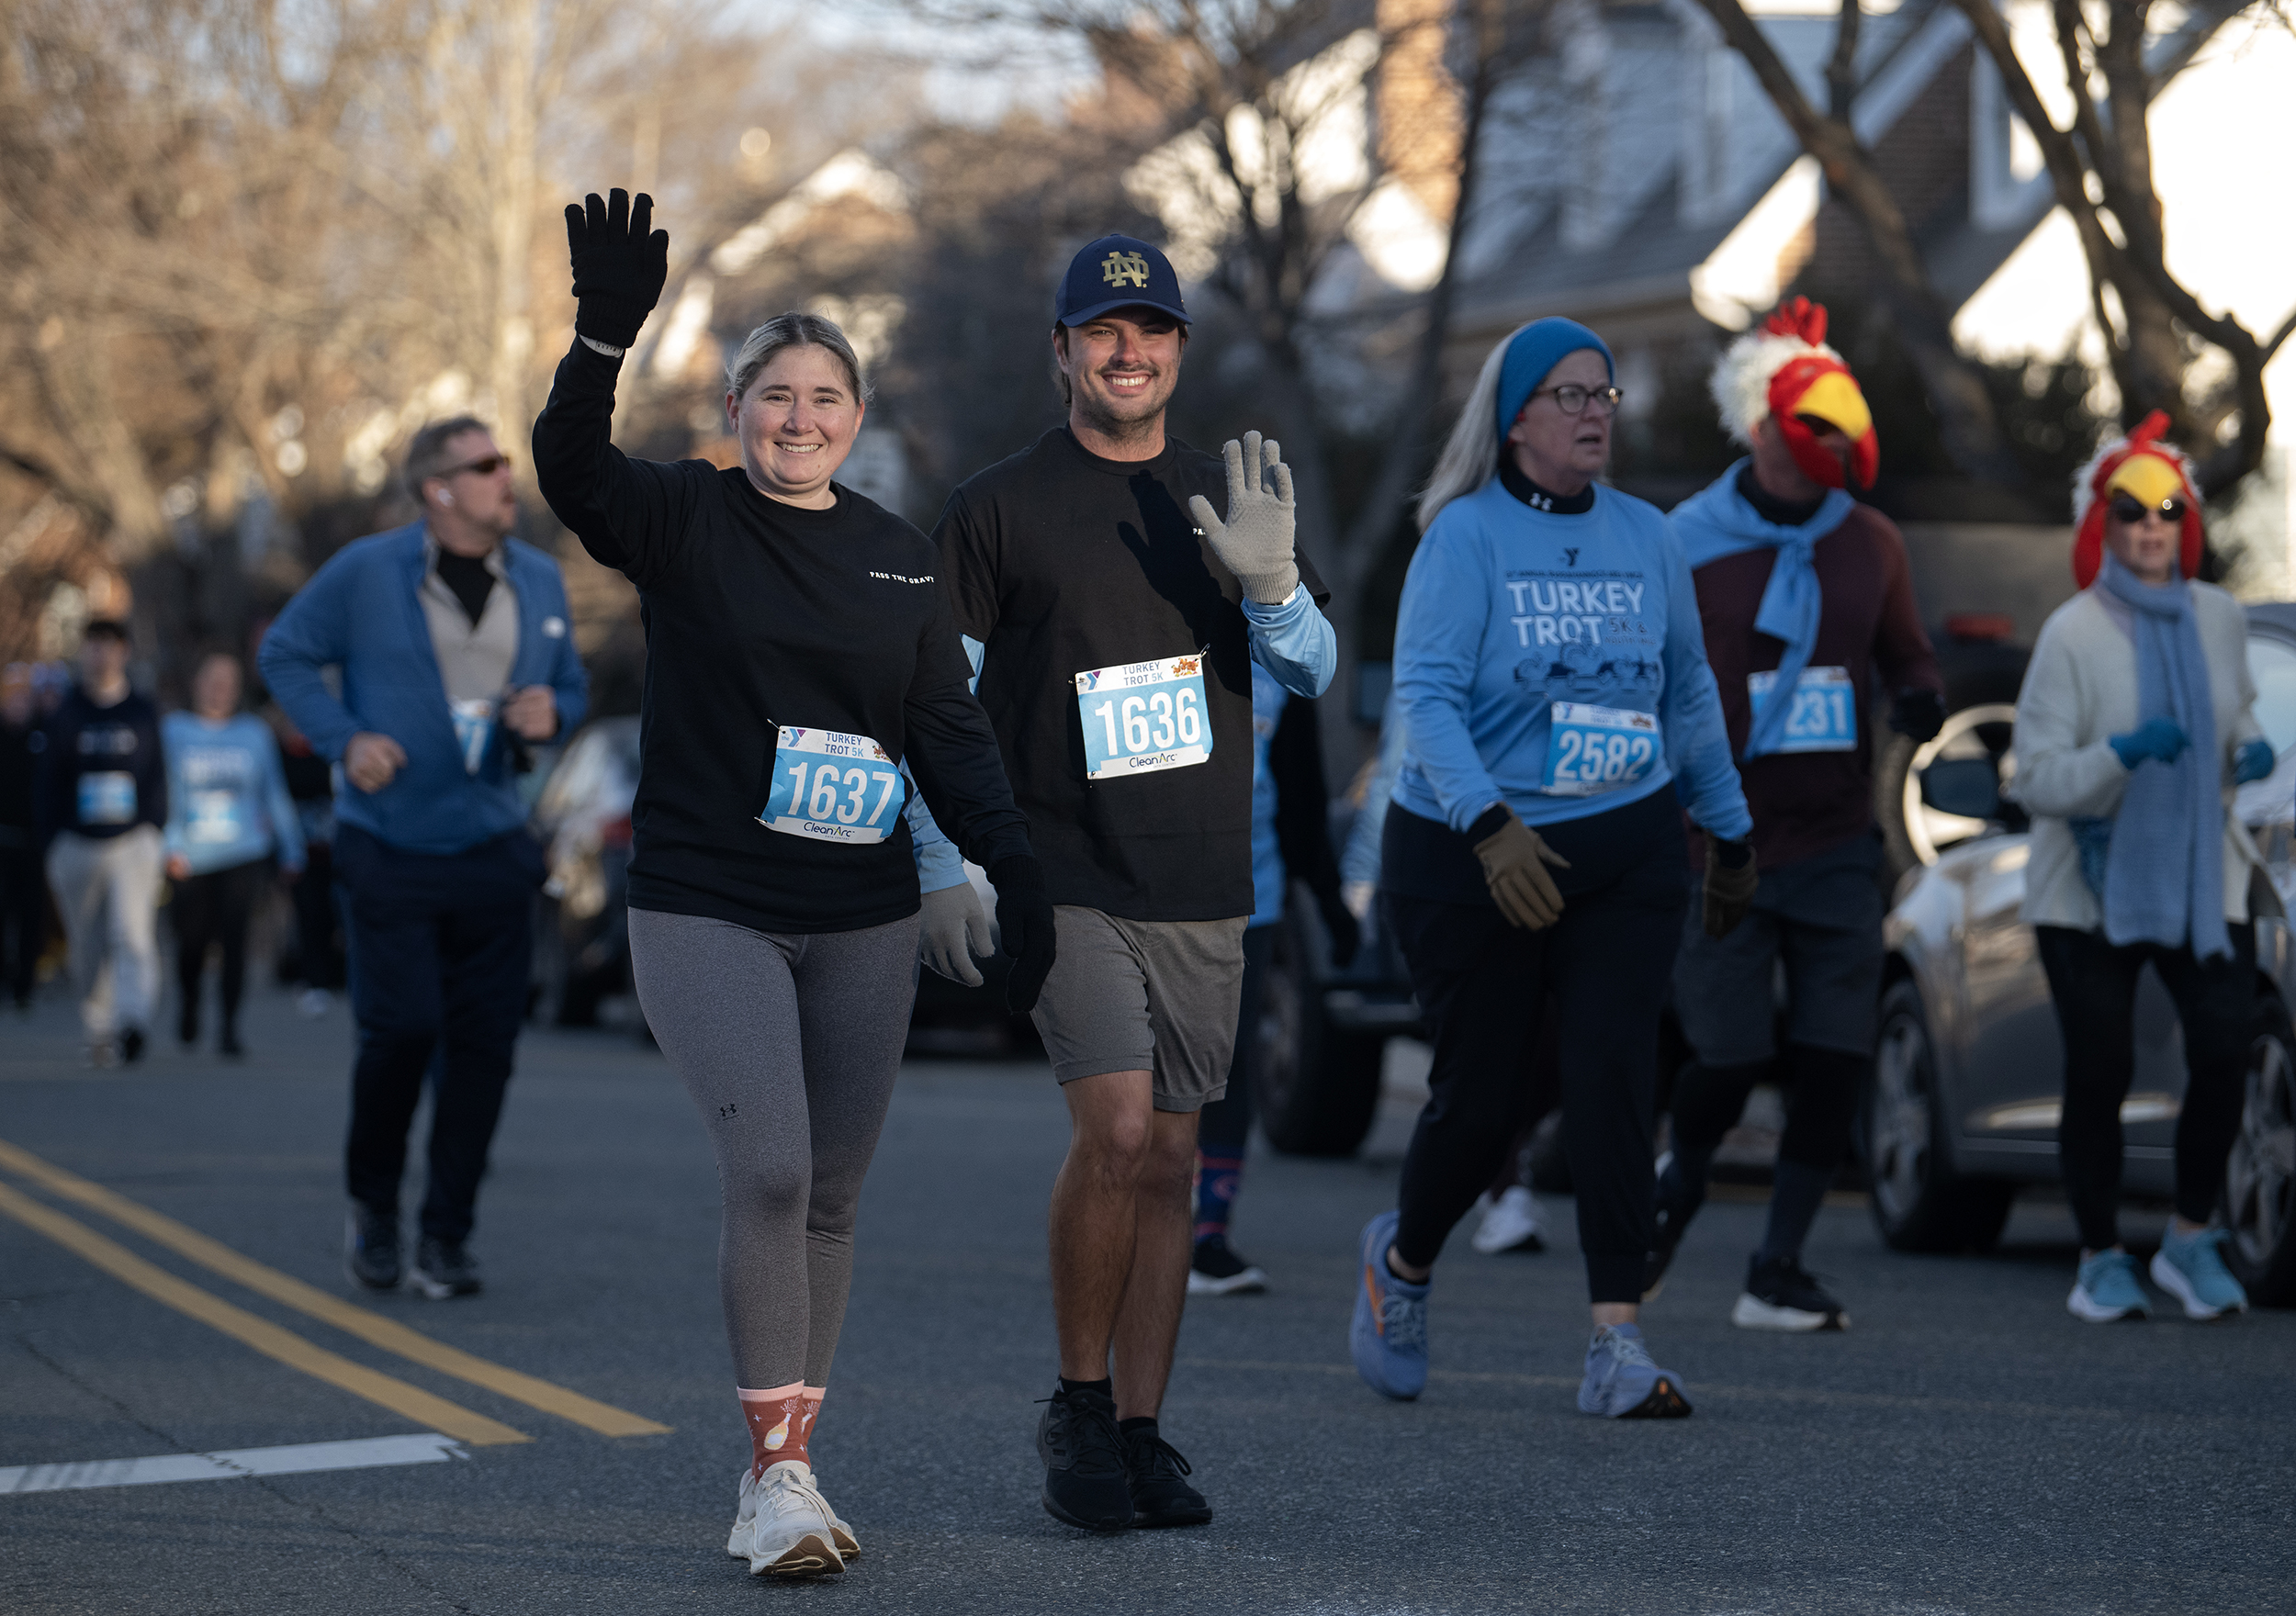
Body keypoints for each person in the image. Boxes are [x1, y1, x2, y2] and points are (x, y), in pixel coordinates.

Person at [533, 191, 1051, 1578]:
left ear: (856, 417)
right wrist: (600, 339)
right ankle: (774, 1479)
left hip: (861, 915)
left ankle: (791, 1463)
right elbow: (571, 472)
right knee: (768, 1168)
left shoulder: (896, 553)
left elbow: (946, 731)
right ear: (736, 409)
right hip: (707, 901)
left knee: (829, 1194)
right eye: (776, 395)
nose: (800, 417)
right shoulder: (686, 515)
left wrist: (1012, 864)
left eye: (825, 397)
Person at [921, 233, 1334, 1532]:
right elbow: (937, 695)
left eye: (1150, 329)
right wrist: (942, 862)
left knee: (1169, 1154)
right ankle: (1079, 1403)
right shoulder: (996, 506)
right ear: (1061, 351)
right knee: (1112, 1130)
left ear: (1178, 351)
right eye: (1102, 331)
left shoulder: (1228, 493)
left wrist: (1272, 587)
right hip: (1061, 869)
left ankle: (1146, 1432)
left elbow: (1315, 669)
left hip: (1202, 873)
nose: (1127, 350)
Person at [1351, 317, 1754, 1420]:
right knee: (1481, 1102)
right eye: (1569, 394)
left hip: (1624, 840)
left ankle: (1617, 1342)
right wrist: (1489, 824)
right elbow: (1426, 699)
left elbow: (1686, 689)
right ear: (1515, 416)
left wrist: (1727, 827)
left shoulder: (1647, 535)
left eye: (1604, 395)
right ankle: (1404, 1262)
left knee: (1614, 1079)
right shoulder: (1463, 536)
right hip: (1469, 850)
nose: (1592, 413)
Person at [1648, 299, 1945, 1330]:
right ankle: (1679, 1180)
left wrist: (1918, 696)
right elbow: (1643, 676)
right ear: (1760, 424)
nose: (1830, 442)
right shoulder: (1684, 541)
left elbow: (1907, 653)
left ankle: (1777, 1264)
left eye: (1839, 423)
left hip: (1834, 839)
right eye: (1809, 423)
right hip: (1717, 838)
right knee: (1728, 1057)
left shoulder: (1870, 541)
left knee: (1836, 1055)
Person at [261, 412, 586, 1301]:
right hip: (390, 843)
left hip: (494, 847)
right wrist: (345, 738)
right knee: (402, 1029)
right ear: (437, 488)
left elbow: (569, 684)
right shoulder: (368, 570)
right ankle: (374, 1207)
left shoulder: (539, 577)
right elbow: (285, 653)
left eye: (504, 462)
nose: (506, 477)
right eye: (485, 465)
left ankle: (446, 1234)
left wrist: (552, 712)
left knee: (484, 1050)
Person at [2010, 410, 2270, 1324]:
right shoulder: (2071, 632)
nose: (2151, 525)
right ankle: (2099, 1257)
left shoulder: (2219, 616)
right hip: (2088, 886)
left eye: (2168, 508)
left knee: (2225, 1051)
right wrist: (2120, 753)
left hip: (2201, 872)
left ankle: (2189, 1240)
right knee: (2101, 1067)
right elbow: (2035, 778)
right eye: (2130, 508)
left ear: (2185, 520)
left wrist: (2246, 748)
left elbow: (2234, 714)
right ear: (2103, 521)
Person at [1340, 691, 1552, 1256]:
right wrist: (1361, 878)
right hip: (1455, 874)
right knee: (1478, 1056)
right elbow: (1395, 768)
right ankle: (1431, 1237)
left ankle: (1501, 1179)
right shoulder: (1440, 653)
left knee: (1546, 1043)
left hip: (1555, 860)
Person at [1187, 666, 1358, 1296]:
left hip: (1248, 896)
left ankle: (1208, 1233)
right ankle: (1136, 1219)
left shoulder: (1278, 661)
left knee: (1227, 1064)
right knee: (1143, 1066)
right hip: (1138, 894)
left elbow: (1302, 793)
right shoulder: (1138, 629)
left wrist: (1332, 904)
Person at [162, 651, 306, 1056]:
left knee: (235, 940)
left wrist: (291, 849)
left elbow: (273, 793)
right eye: (213, 679)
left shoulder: (254, 733)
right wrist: (170, 845)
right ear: (197, 683)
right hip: (191, 854)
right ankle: (190, 1002)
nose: (220, 689)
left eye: (229, 681)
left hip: (243, 851)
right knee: (191, 942)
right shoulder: (174, 730)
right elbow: (165, 791)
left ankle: (229, 1026)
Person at [38, 620, 167, 1065]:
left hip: (132, 841)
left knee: (131, 934)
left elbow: (157, 775)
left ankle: (132, 1022)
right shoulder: (66, 712)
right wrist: (52, 841)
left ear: (124, 652)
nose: (100, 655)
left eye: (109, 646)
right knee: (87, 942)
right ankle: (99, 1027)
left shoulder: (143, 711)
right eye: (92, 646)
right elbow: (48, 781)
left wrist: (154, 829)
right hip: (76, 843)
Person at [2, 664, 46, 1012]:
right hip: (2, 841)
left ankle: (25, 985)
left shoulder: (44, 735)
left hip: (36, 843)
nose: (18, 703)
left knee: (33, 916)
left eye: (24, 696)